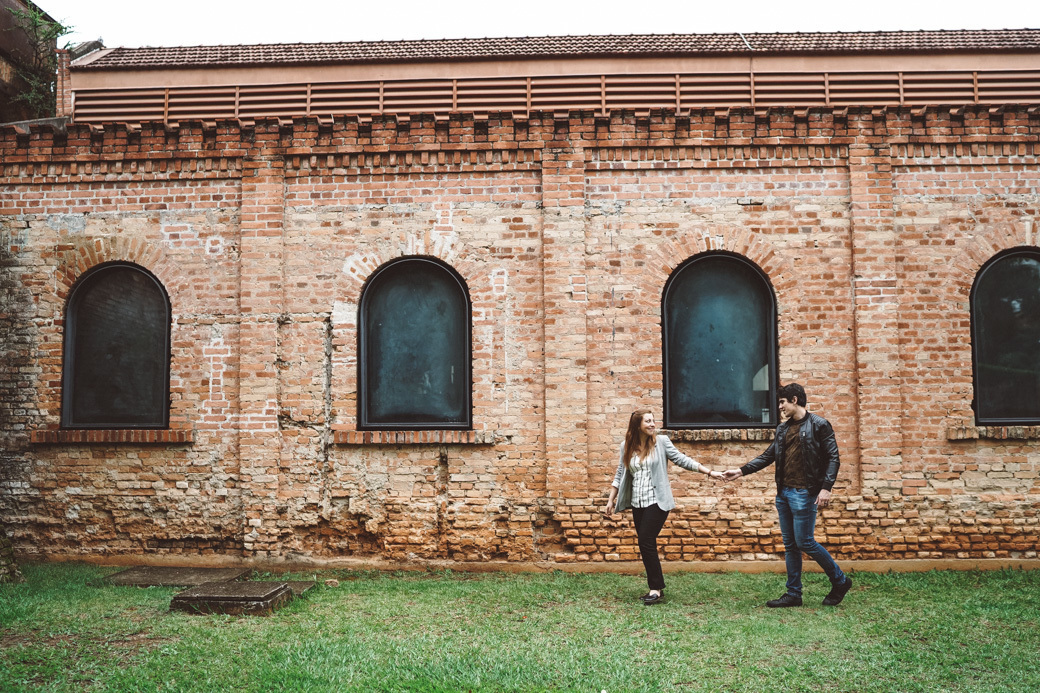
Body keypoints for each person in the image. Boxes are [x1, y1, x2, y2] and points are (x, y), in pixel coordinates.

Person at [722, 383, 853, 607]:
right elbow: (767, 456)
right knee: (791, 545)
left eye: (782, 402)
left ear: (794, 399)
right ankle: (794, 594)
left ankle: (840, 580)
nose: (780, 407)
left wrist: (826, 487)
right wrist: (741, 470)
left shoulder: (819, 425)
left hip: (805, 493)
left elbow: (833, 457)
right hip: (784, 493)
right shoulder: (782, 429)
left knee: (805, 541)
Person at [604, 409, 724, 605]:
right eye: (648, 421)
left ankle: (656, 589)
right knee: (645, 543)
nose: (652, 424)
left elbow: (682, 459)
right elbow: (620, 473)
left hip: (657, 501)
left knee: (645, 539)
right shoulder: (626, 446)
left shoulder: (662, 442)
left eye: (653, 421)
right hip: (638, 502)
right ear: (637, 425)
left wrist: (709, 472)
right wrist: (611, 499)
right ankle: (656, 587)